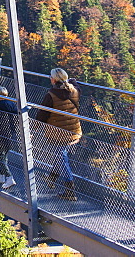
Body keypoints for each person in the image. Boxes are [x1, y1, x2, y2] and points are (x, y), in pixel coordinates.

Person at [34, 67, 82, 201]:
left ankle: (70, 190)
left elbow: (42, 115)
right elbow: (75, 83)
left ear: (54, 79)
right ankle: (51, 178)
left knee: (61, 158)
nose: (50, 78)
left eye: (50, 77)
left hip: (57, 133)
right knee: (60, 155)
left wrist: (33, 128)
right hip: (73, 131)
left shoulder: (51, 95)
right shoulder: (75, 90)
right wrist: (71, 80)